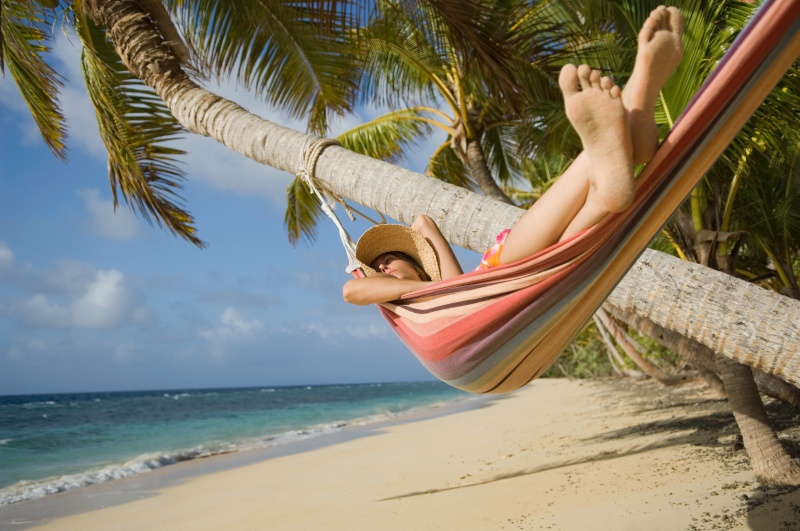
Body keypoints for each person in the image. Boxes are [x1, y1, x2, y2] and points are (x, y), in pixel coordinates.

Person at [343, 6, 684, 306]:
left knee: (604, 197)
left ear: (416, 263)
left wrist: (405, 270)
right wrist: (375, 276)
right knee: (600, 203)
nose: (383, 268)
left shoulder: (448, 287)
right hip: (539, 288)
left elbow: (423, 223)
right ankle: (628, 124)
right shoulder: (423, 309)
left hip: (504, 271)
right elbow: (351, 292)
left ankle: (633, 109)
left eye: (388, 260)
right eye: (380, 269)